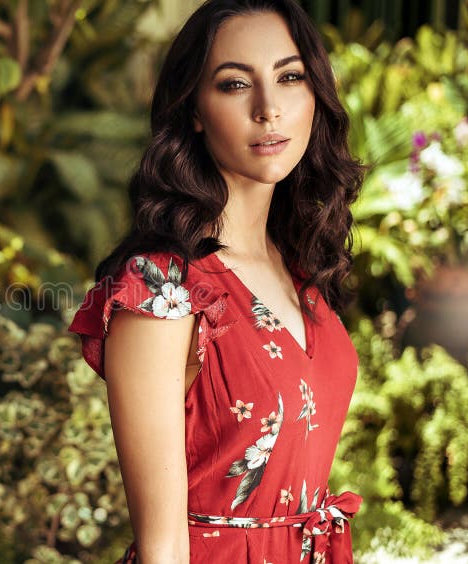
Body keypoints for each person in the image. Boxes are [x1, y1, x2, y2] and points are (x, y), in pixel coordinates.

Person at [67, 0, 367, 562]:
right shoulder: (161, 289)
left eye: (290, 76)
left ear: (315, 96)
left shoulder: (299, 265)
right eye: (234, 84)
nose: (269, 109)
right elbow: (162, 547)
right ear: (195, 111)